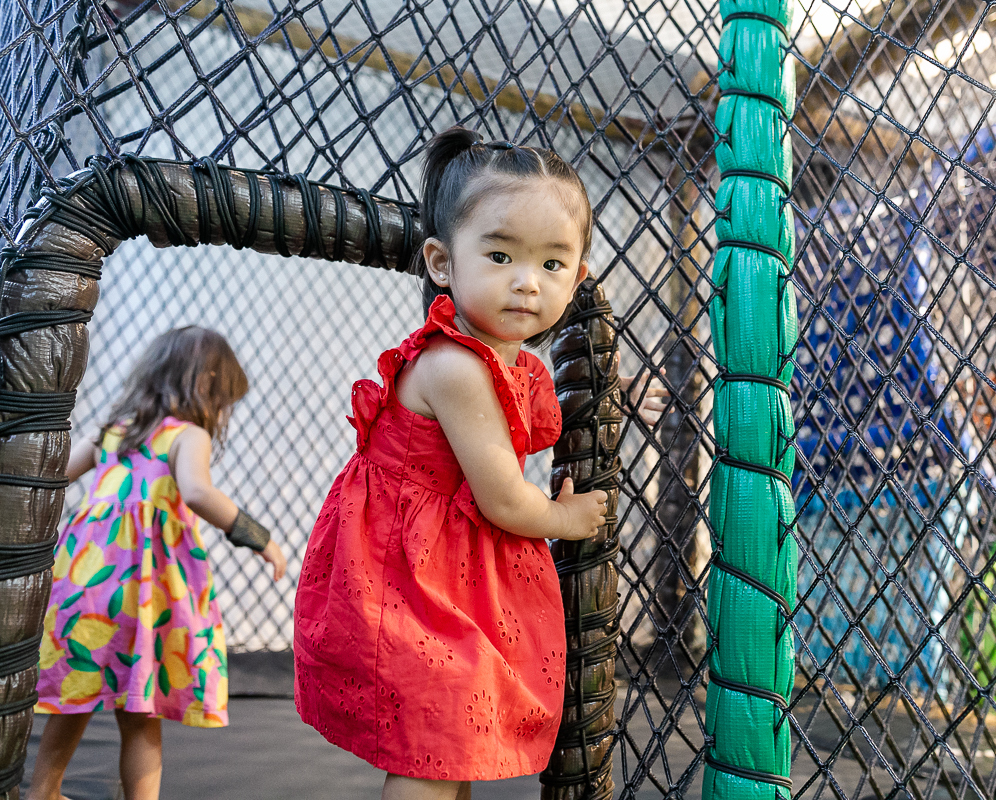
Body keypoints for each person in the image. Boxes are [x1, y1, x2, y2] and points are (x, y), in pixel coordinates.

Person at [293, 128, 665, 800]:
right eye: (499, 254)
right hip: (402, 574)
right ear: (442, 262)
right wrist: (567, 516)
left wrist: (630, 393)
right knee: (433, 740)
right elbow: (501, 496)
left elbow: (531, 408)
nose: (526, 282)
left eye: (552, 265)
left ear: (578, 278)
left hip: (445, 567)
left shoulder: (509, 358)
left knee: (451, 745)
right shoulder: (455, 366)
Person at [27, 327, 287, 800]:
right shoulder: (187, 436)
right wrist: (259, 538)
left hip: (86, 583)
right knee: (140, 710)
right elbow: (196, 491)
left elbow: (55, 474)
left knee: (76, 697)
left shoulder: (113, 430)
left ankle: (42, 791)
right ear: (206, 382)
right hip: (144, 593)